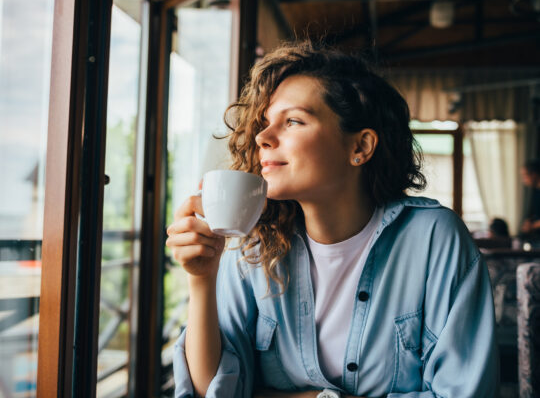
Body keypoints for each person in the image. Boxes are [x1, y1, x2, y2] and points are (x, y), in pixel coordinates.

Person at [167, 42, 498, 398]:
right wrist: (202, 279)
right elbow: (211, 392)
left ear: (360, 147)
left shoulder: (435, 238)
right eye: (264, 124)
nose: (263, 137)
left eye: (292, 121)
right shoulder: (253, 245)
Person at [520, 159, 540, 236]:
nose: (523, 180)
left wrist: (532, 226)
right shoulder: (535, 192)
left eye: (525, 176)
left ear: (534, 174)